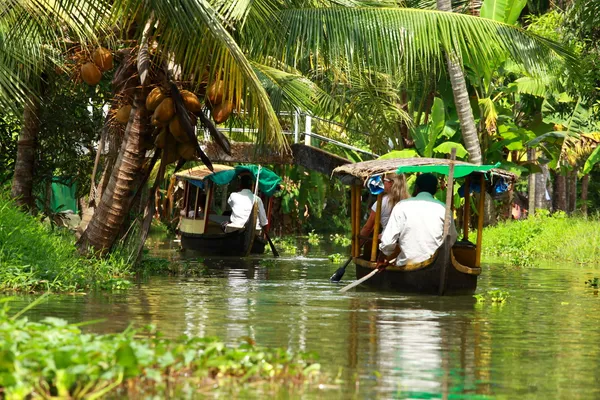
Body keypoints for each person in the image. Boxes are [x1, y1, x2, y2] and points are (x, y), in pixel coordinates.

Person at [379, 173, 457, 266]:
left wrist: (382, 258)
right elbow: (451, 238)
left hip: (407, 264)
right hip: (435, 265)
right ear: (436, 190)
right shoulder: (444, 209)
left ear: (416, 188)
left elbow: (388, 242)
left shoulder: (401, 206)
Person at [360, 173, 409, 238]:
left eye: (384, 180)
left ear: (391, 183)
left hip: (387, 240)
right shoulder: (409, 201)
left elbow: (368, 228)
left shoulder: (381, 203)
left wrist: (357, 244)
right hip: (405, 240)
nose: (383, 183)